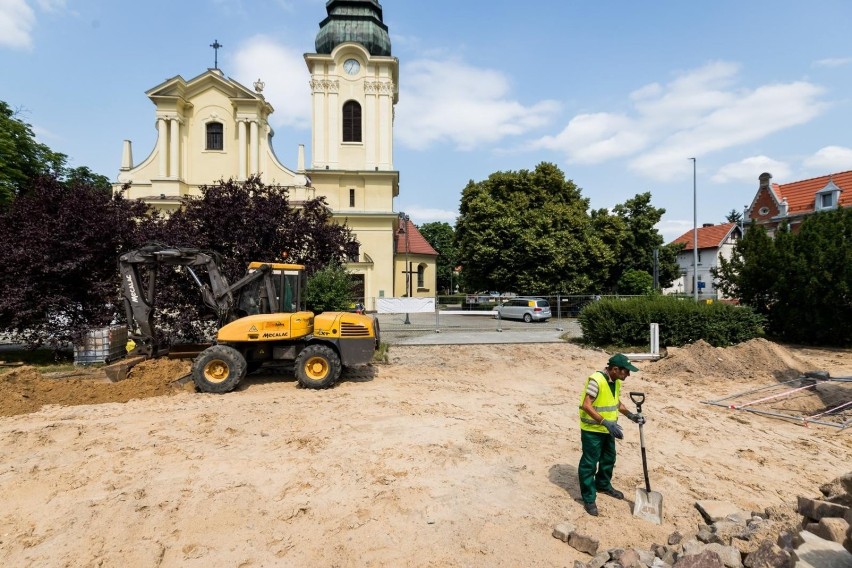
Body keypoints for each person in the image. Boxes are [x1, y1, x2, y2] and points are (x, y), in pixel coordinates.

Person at [577, 353, 645, 516]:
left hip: (608, 430)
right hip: (593, 430)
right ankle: (588, 497)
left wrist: (630, 415)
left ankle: (603, 485)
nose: (628, 374)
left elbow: (616, 403)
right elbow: (587, 405)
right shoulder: (596, 380)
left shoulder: (615, 381)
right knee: (589, 464)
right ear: (615, 369)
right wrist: (605, 422)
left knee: (609, 459)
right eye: (626, 371)